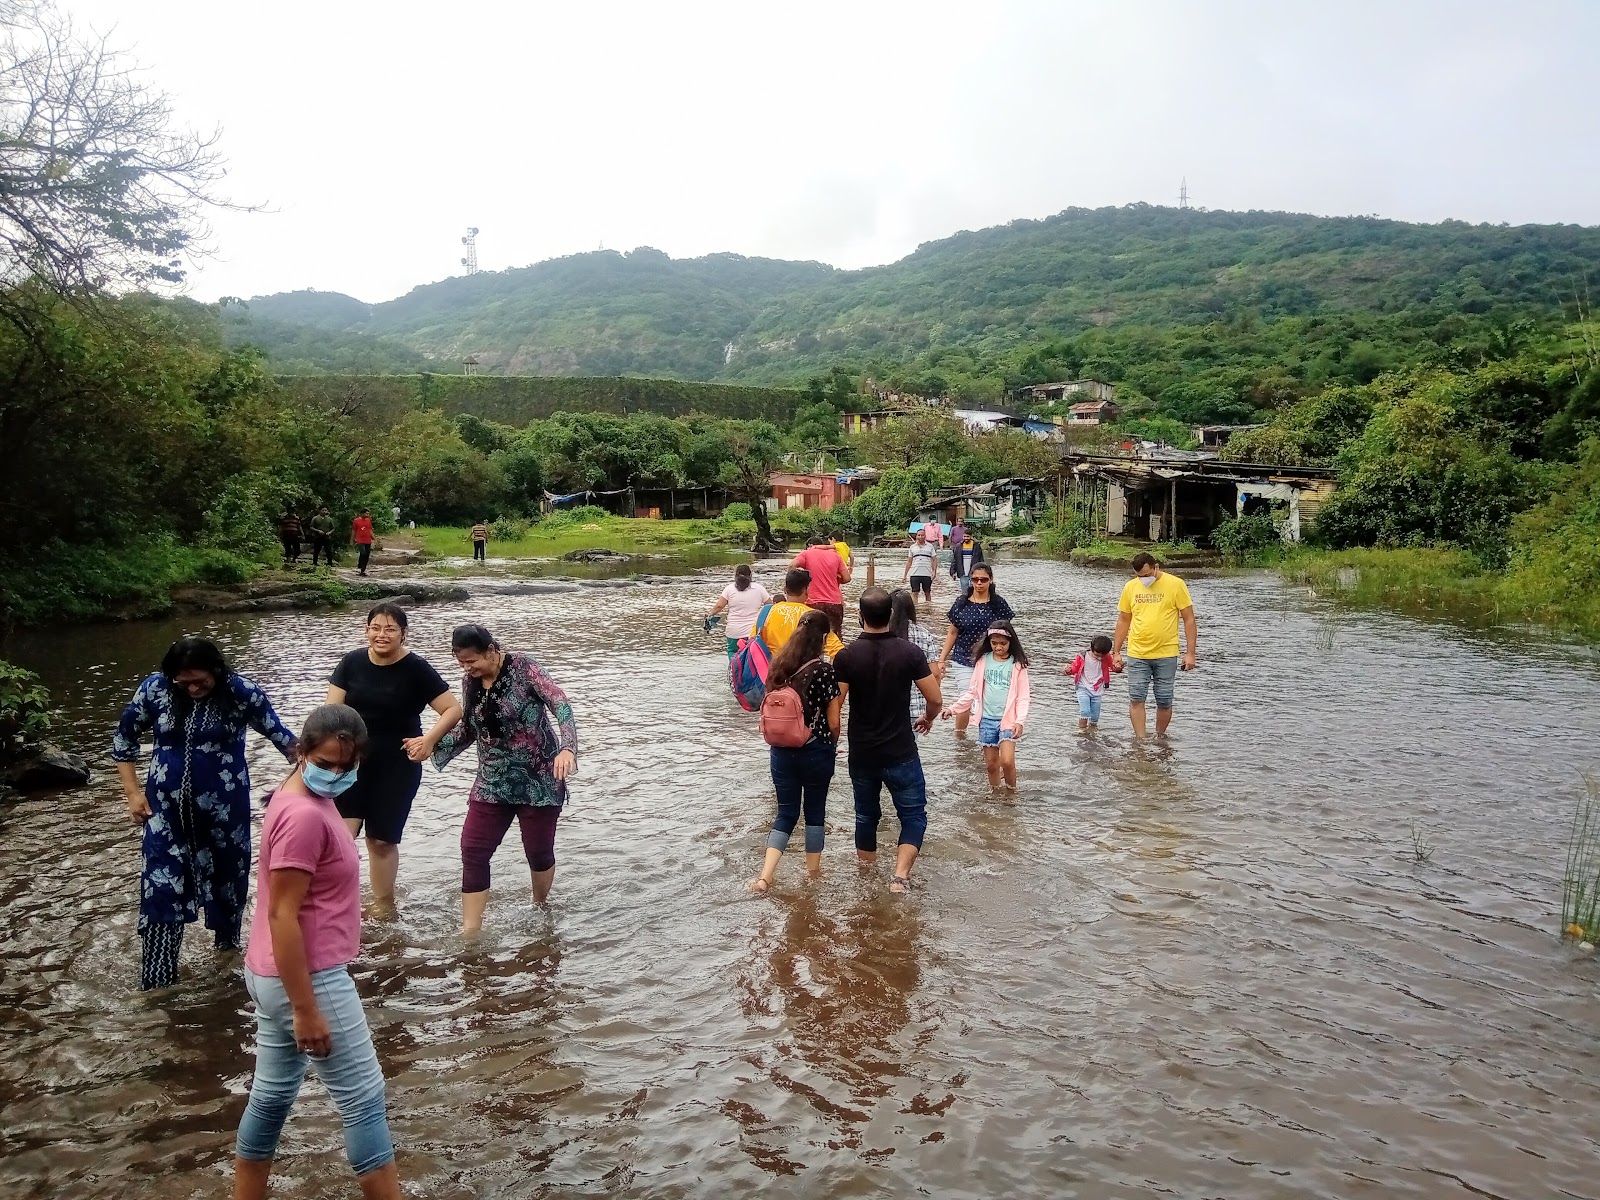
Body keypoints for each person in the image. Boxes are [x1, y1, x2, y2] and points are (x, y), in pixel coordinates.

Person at [233, 704, 402, 1200]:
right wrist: (305, 1009)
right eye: (324, 763)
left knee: (271, 1095)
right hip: (308, 977)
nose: (333, 774)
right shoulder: (304, 815)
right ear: (301, 751)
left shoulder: (291, 795)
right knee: (364, 1098)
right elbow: (282, 914)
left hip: (270, 972)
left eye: (344, 768)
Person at [112, 637, 297, 990]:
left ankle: (226, 966)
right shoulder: (155, 690)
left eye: (200, 680)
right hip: (165, 817)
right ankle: (157, 988)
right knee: (160, 893)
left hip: (225, 817)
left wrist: (319, 780)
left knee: (229, 886)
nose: (193, 688)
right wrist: (133, 794)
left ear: (216, 669)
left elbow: (284, 741)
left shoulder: (242, 692)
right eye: (184, 682)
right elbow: (123, 741)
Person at [431, 625, 578, 934]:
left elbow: (561, 704)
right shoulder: (470, 682)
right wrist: (431, 743)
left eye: (472, 661)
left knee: (538, 853)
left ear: (492, 650)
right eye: (462, 663)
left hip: (538, 778)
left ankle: (540, 905)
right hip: (492, 781)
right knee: (473, 850)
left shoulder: (526, 668)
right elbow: (471, 730)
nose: (468, 668)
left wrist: (567, 749)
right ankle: (470, 931)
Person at [326, 603, 462, 911]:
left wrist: (428, 740)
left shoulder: (416, 667)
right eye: (375, 628)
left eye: (390, 629)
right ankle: (335, 904)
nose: (381, 635)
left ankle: (383, 906)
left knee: (381, 840)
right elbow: (330, 714)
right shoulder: (352, 662)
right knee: (341, 836)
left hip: (397, 763)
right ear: (366, 630)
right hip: (351, 761)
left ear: (403, 634)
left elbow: (452, 709)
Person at [834, 586, 943, 893]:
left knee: (866, 815)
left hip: (863, 752)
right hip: (901, 750)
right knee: (913, 814)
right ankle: (900, 876)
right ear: (891, 615)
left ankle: (866, 877)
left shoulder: (847, 655)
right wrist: (928, 718)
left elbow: (836, 705)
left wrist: (830, 739)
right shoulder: (909, 652)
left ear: (860, 616)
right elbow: (935, 698)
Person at [749, 610, 841, 894]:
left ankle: (765, 877)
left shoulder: (779, 667)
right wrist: (831, 745)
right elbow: (835, 721)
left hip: (780, 752)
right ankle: (812, 876)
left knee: (785, 814)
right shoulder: (824, 672)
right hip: (816, 751)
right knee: (814, 813)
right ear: (824, 637)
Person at [1112, 552, 1198, 737]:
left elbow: (1189, 619)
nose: (1143, 580)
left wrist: (1190, 653)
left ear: (1156, 567)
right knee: (1136, 698)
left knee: (1165, 700)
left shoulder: (1176, 585)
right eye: (1139, 576)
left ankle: (1160, 737)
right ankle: (1140, 742)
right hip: (1137, 653)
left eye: (1146, 575)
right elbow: (1123, 620)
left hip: (1166, 653)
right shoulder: (1130, 588)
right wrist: (1116, 651)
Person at [944, 621, 1031, 791]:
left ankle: (1011, 793)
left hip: (1009, 721)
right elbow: (972, 692)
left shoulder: (1018, 665)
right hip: (986, 720)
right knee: (991, 765)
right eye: (994, 643)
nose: (998, 647)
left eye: (1003, 643)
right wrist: (953, 709)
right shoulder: (983, 661)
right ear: (989, 642)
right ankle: (995, 794)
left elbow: (1023, 696)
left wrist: (1020, 721)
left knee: (1007, 761)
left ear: (1011, 642)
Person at [935, 565, 1016, 736]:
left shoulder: (999, 604)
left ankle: (986, 736)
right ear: (971, 580)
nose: (979, 583)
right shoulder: (961, 602)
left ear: (991, 580)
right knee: (966, 696)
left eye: (983, 579)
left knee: (987, 699)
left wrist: (1014, 658)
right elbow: (952, 632)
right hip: (963, 658)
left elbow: (1007, 634)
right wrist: (942, 659)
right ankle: (960, 738)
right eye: (975, 579)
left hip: (991, 659)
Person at [758, 567, 845, 659]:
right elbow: (837, 651)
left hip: (771, 670)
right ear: (806, 591)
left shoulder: (766, 612)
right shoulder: (813, 617)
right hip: (802, 671)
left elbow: (754, 642)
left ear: (785, 589)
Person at [790, 535, 852, 638]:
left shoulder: (807, 553)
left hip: (813, 603)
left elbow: (792, 566)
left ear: (810, 545)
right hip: (835, 603)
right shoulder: (836, 555)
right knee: (835, 638)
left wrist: (803, 581)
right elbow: (847, 578)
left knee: (811, 640)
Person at [707, 563, 773, 657]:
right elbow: (770, 606)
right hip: (752, 632)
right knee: (750, 658)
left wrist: (709, 615)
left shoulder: (729, 589)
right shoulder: (759, 589)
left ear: (735, 576)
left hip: (734, 632)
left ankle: (734, 671)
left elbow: (719, 606)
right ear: (750, 575)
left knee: (733, 655)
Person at [1065, 634, 1118, 730]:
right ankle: (1082, 730)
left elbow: (1113, 667)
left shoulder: (1107, 658)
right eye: (1097, 655)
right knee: (1084, 711)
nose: (1100, 658)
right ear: (1091, 649)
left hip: (1097, 690)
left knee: (1095, 716)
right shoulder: (1083, 656)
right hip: (1083, 687)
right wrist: (1068, 670)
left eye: (1103, 656)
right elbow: (1074, 668)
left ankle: (1092, 731)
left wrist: (1118, 667)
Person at [901, 527, 939, 603]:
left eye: (922, 535)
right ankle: (916, 609)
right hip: (914, 574)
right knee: (915, 593)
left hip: (927, 574)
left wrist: (934, 571)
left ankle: (928, 609)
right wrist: (905, 575)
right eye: (919, 535)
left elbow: (934, 559)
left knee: (927, 592)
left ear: (925, 536)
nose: (920, 537)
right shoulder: (912, 547)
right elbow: (909, 561)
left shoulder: (930, 546)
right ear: (916, 536)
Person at [352, 508, 375, 576]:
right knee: (363, 552)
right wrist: (352, 539)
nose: (367, 515)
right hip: (360, 539)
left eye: (368, 513)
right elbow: (354, 530)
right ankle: (360, 565)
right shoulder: (356, 521)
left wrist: (373, 537)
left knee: (367, 554)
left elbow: (370, 529)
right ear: (362, 514)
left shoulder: (368, 521)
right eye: (366, 513)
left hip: (367, 539)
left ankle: (363, 569)